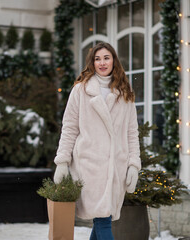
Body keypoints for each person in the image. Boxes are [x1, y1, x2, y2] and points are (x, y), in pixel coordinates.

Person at [53, 42, 141, 240]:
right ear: (92, 62)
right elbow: (69, 128)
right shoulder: (80, 91)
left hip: (115, 167)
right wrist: (62, 162)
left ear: (114, 61)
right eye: (97, 58)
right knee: (103, 219)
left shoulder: (125, 93)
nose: (102, 63)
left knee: (103, 218)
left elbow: (131, 133)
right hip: (89, 166)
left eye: (106, 58)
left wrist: (134, 165)